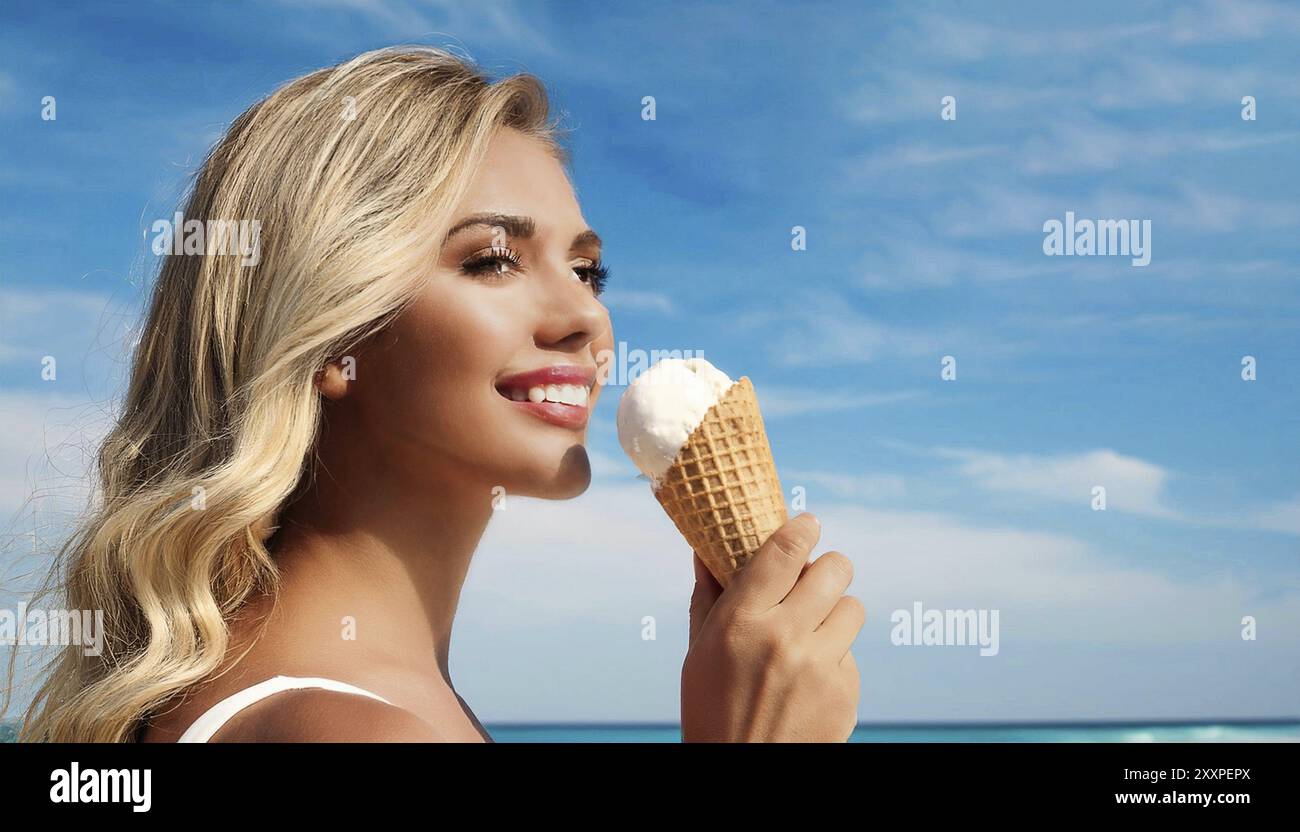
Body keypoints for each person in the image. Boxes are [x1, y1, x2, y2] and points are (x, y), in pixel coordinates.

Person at [15, 46, 862, 743]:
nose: (586, 318)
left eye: (588, 269)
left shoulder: (321, 703)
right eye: (493, 259)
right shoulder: (357, 732)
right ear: (333, 332)